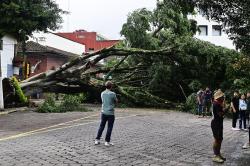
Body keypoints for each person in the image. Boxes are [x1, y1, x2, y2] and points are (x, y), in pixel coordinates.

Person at [95, 81, 118, 146]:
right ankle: (107, 141)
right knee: (109, 127)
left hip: (103, 112)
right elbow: (116, 101)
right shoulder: (113, 94)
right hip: (110, 113)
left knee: (101, 126)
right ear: (111, 86)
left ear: (106, 86)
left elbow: (103, 101)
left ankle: (97, 140)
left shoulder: (102, 93)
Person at [211, 89, 226, 163]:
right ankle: (215, 156)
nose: (223, 98)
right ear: (219, 97)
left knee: (220, 139)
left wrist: (223, 108)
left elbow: (221, 114)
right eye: (222, 97)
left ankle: (218, 154)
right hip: (216, 124)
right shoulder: (216, 104)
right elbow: (220, 114)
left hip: (219, 123)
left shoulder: (218, 103)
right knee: (217, 139)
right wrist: (225, 110)